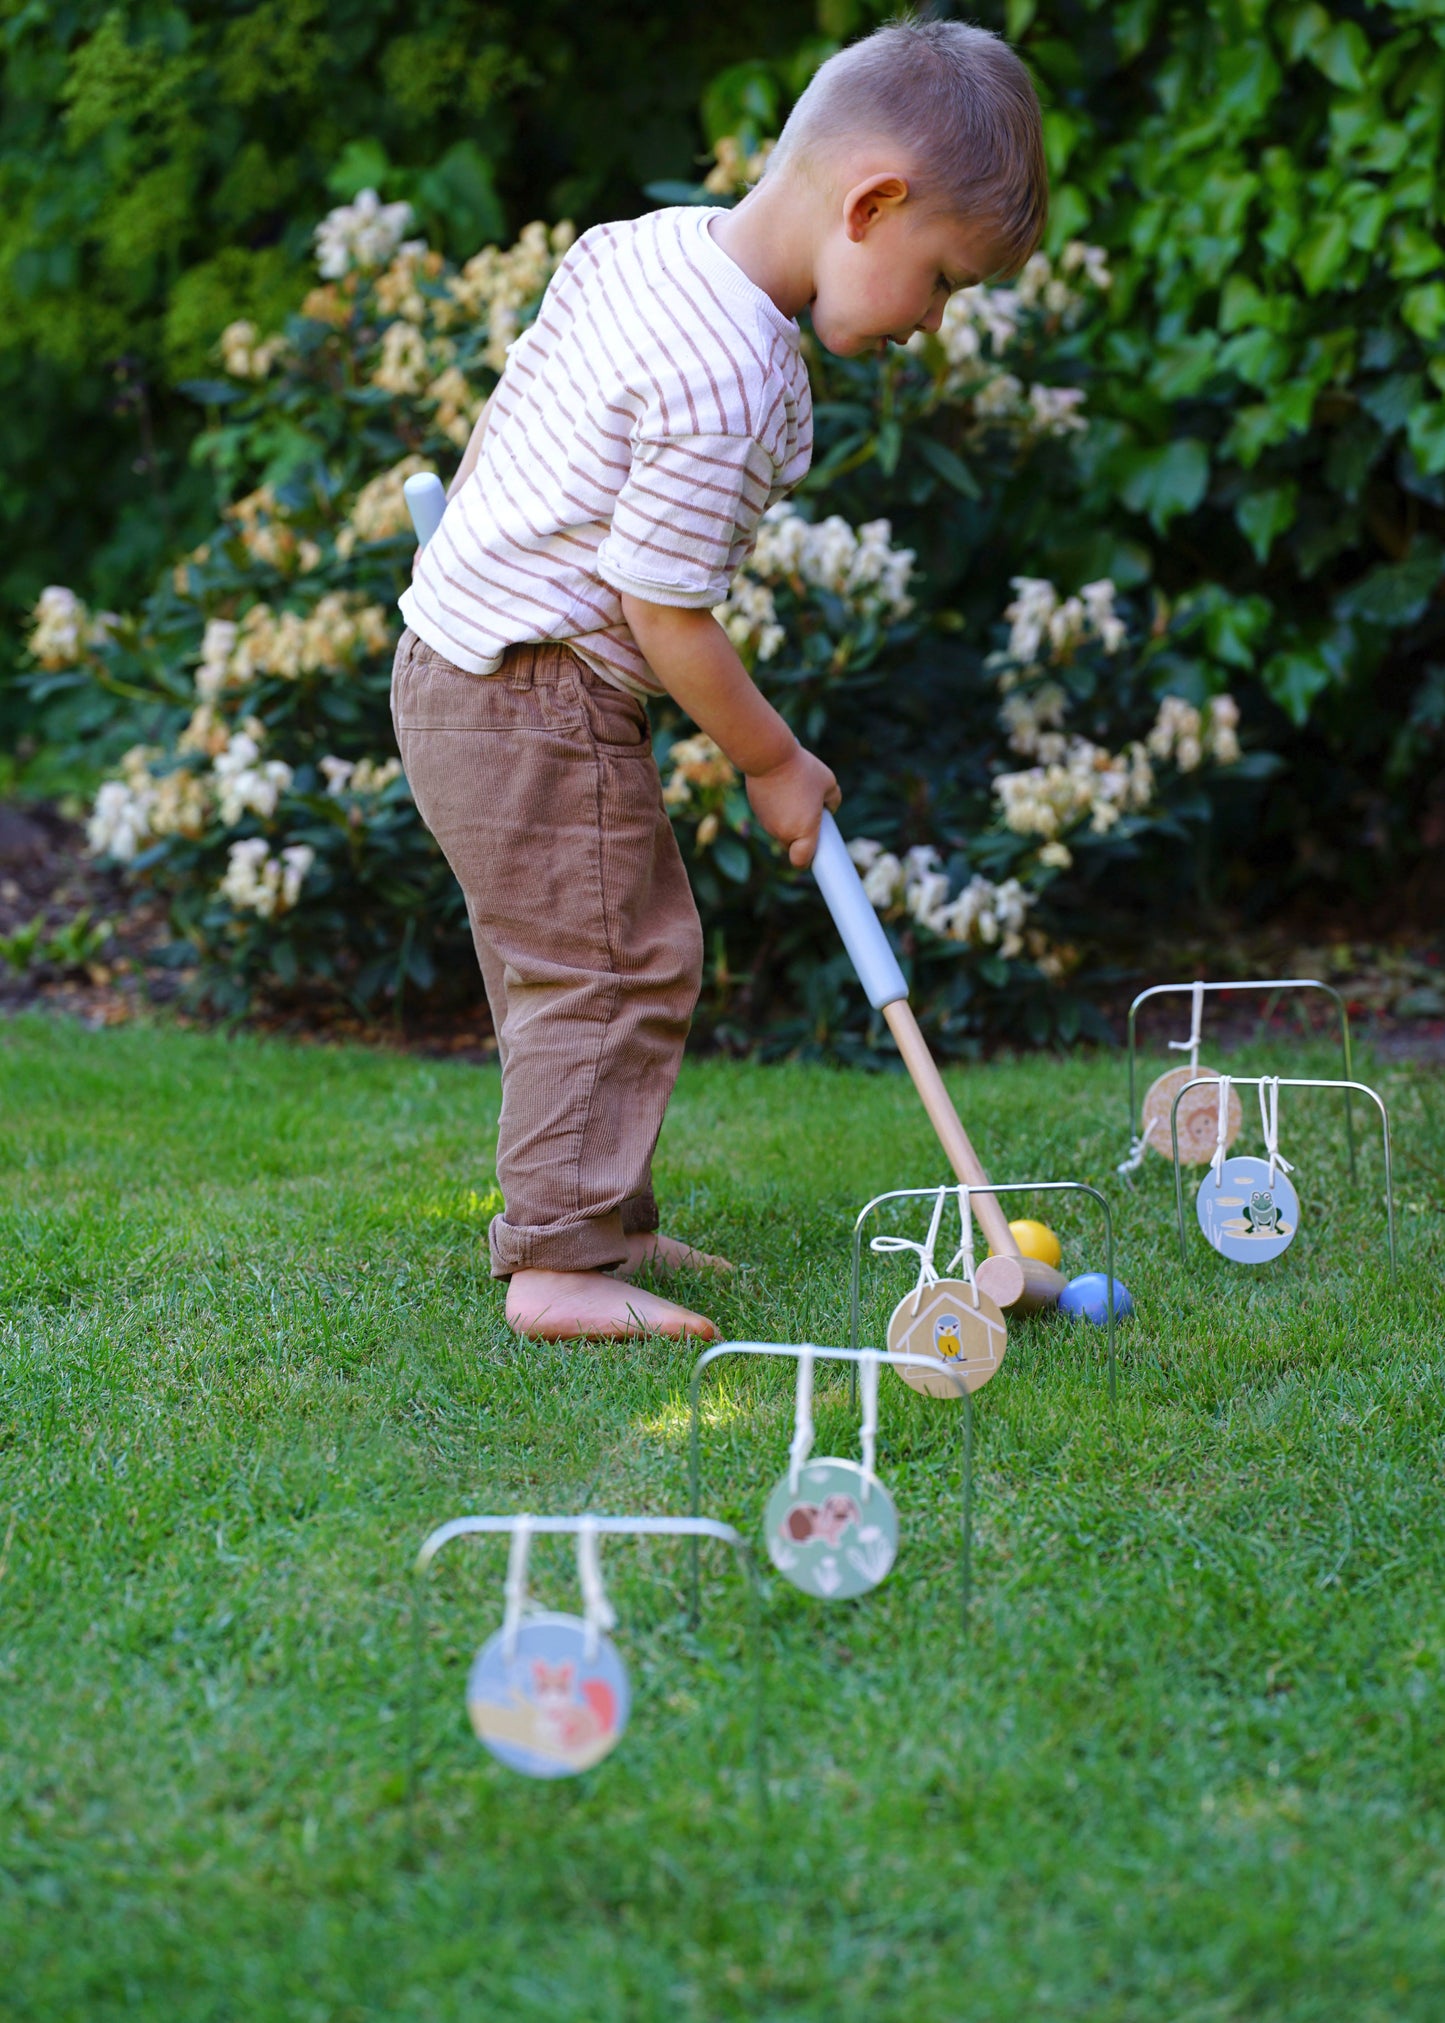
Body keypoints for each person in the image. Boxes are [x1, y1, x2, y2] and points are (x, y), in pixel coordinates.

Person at [391, 17, 1047, 1343]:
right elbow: (660, 605)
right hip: (529, 686)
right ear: (871, 205)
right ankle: (561, 1267)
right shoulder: (733, 373)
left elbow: (526, 416)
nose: (928, 323)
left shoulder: (639, 246)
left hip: (465, 662)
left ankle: (599, 1223)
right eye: (940, 282)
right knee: (613, 963)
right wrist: (769, 759)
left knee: (592, 953)